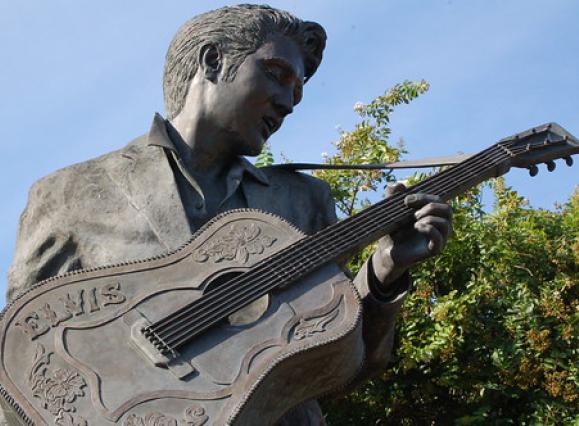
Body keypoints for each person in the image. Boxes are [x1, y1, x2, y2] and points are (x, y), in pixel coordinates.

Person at [4, 5, 452, 425]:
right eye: (277, 75)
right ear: (213, 61)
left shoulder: (304, 201)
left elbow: (337, 366)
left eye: (297, 91)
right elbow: (18, 361)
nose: (289, 102)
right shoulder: (69, 193)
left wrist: (383, 274)